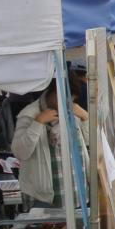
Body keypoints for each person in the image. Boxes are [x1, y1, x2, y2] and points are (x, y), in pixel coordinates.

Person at [11, 79, 88, 208]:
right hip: (43, 196)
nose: (67, 103)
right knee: (46, 228)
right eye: (63, 98)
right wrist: (38, 122)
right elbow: (20, 152)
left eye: (71, 99)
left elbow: (91, 142)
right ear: (52, 92)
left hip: (76, 191)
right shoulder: (29, 115)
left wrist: (86, 117)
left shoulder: (72, 113)